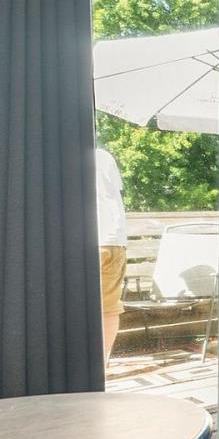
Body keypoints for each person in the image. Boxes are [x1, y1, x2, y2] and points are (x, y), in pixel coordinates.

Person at [95, 147, 128, 364]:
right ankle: (100, 367)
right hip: (114, 238)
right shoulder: (104, 156)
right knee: (108, 307)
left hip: (94, 239)